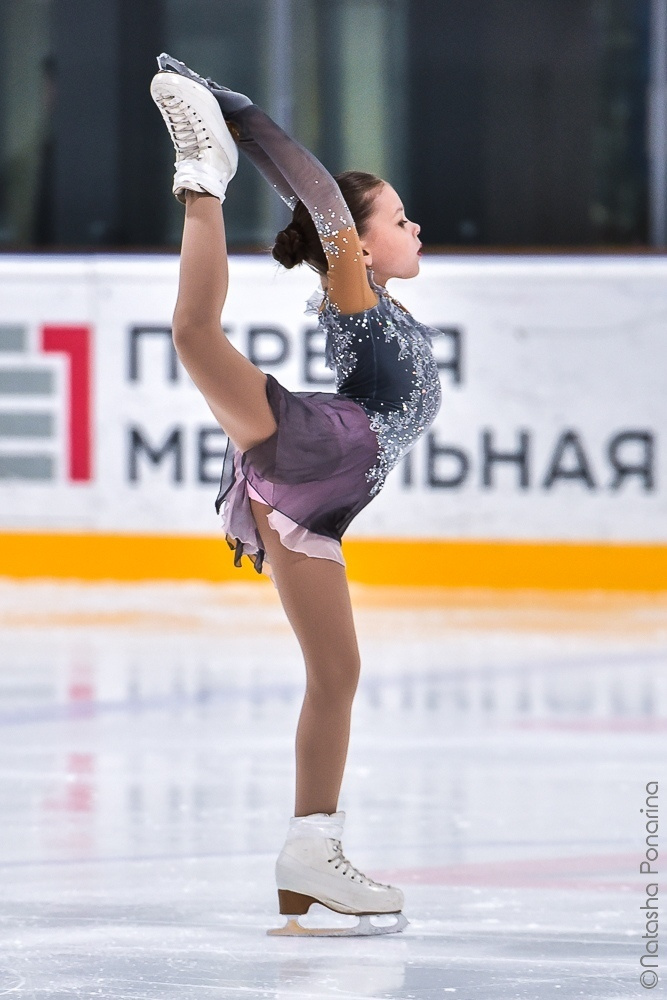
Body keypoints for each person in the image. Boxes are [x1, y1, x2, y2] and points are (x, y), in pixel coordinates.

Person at [150, 54, 442, 937]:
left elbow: (326, 214)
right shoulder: (355, 297)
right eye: (399, 218)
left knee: (336, 672)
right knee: (194, 335)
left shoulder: (382, 301)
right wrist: (244, 119)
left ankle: (310, 855)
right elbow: (322, 204)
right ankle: (201, 178)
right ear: (360, 243)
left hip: (320, 495)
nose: (415, 225)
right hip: (325, 449)